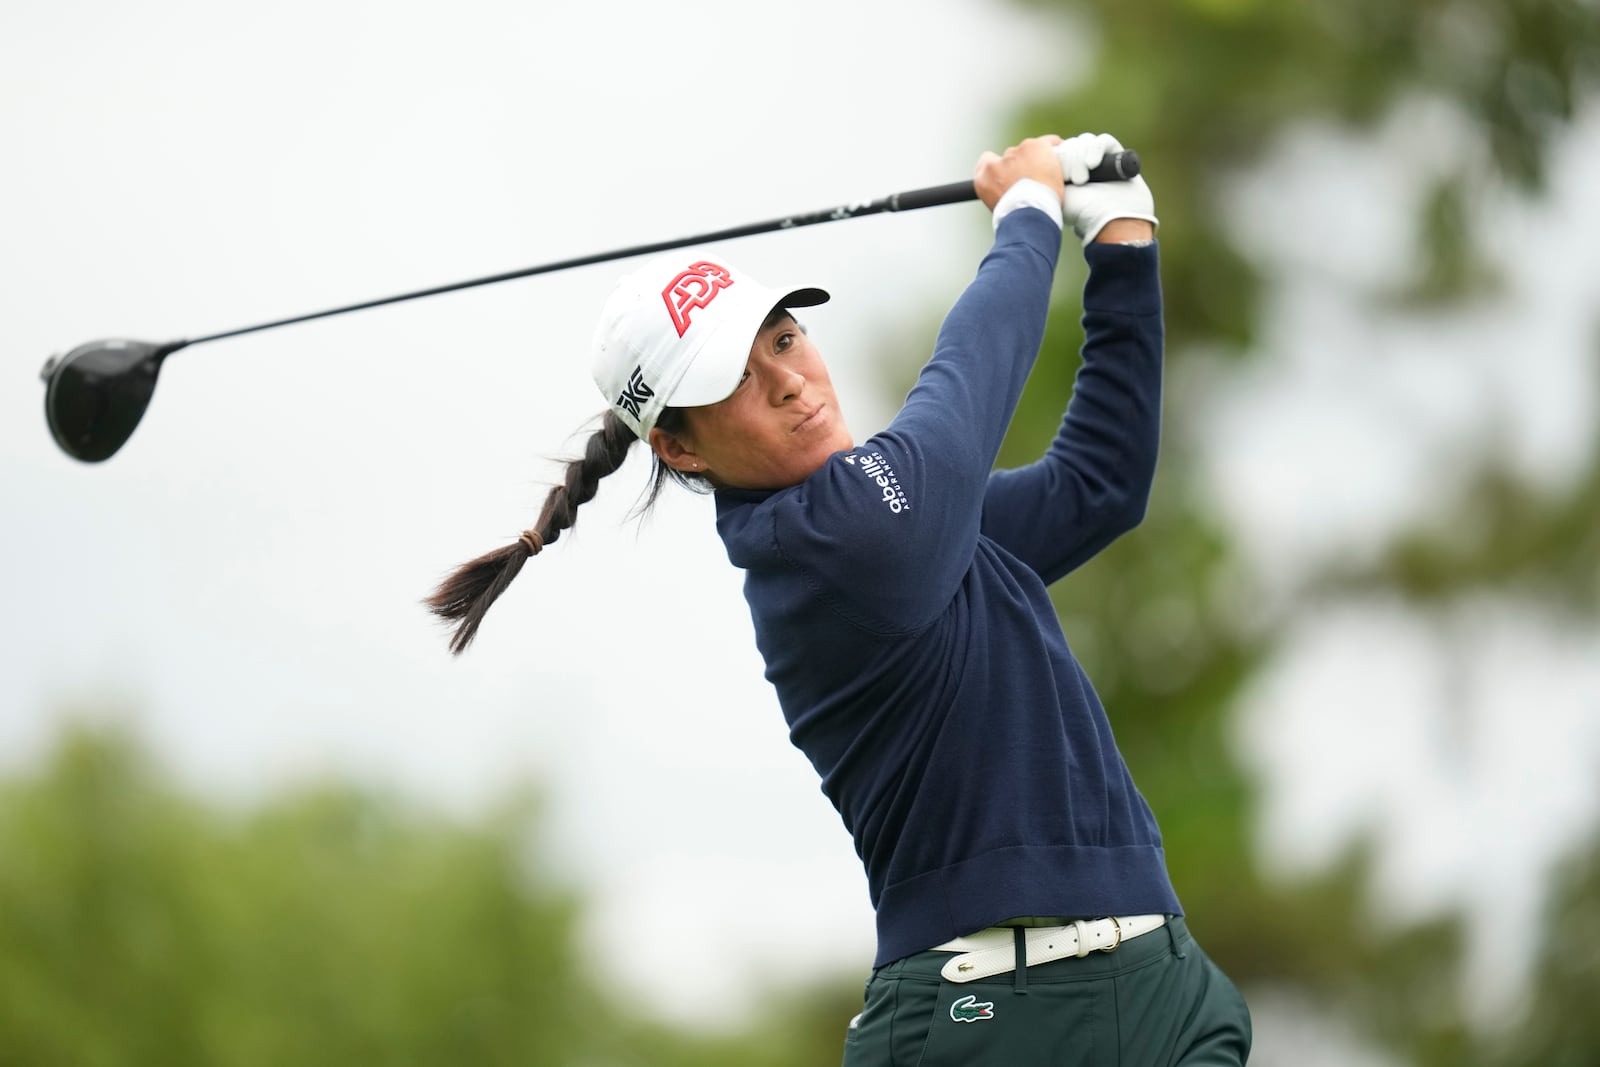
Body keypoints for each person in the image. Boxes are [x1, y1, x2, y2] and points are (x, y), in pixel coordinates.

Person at [427, 132, 1252, 1065]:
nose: (787, 379)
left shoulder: (913, 527)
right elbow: (964, 387)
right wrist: (1025, 217)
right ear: (681, 449)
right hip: (988, 1019)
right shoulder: (830, 545)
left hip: (1162, 986)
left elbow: (1101, 482)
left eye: (783, 338)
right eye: (735, 379)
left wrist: (1120, 240)